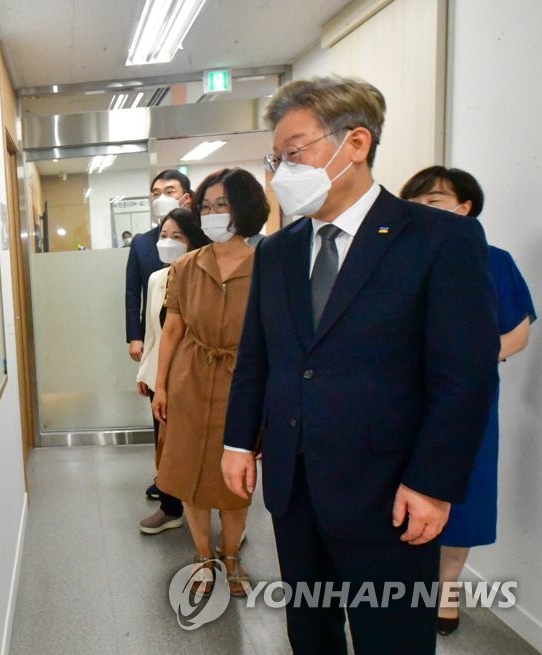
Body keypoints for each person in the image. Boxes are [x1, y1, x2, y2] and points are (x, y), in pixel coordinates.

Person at [221, 76, 499, 654]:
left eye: (294, 152)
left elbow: (465, 378)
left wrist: (432, 485)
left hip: (391, 491)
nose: (281, 171)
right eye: (276, 158)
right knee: (310, 630)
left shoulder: (440, 239)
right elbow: (258, 358)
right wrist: (238, 442)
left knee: (391, 637)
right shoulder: (278, 250)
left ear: (355, 143)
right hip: (295, 486)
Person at [400, 166, 535, 636]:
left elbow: (517, 332)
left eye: (432, 202)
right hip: (399, 399)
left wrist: (465, 360)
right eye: (413, 202)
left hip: (465, 401)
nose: (420, 210)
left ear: (464, 208)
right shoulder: (393, 261)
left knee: (463, 497)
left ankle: (447, 592)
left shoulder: (494, 262)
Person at [152, 168, 267, 595]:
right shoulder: (186, 266)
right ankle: (203, 556)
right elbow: (172, 330)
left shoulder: (267, 267)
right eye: (206, 206)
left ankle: (231, 554)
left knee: (235, 481)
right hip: (190, 378)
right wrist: (162, 385)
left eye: (224, 204)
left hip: (243, 381)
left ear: (245, 209)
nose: (214, 213)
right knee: (189, 474)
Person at [125, 169, 199, 501]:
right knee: (162, 412)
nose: (161, 197)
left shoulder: (201, 239)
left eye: (169, 191)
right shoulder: (144, 243)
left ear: (187, 197)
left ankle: (194, 481)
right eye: (155, 192)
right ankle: (166, 480)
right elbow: (133, 292)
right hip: (157, 334)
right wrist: (136, 336)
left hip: (195, 342)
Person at [135, 207, 206, 534]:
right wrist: (145, 373)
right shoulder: (156, 279)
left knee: (201, 448)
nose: (168, 242)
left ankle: (220, 513)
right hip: (161, 378)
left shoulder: (205, 278)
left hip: (198, 378)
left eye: (177, 236)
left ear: (193, 240)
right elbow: (153, 331)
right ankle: (170, 507)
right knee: (165, 447)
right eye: (164, 235)